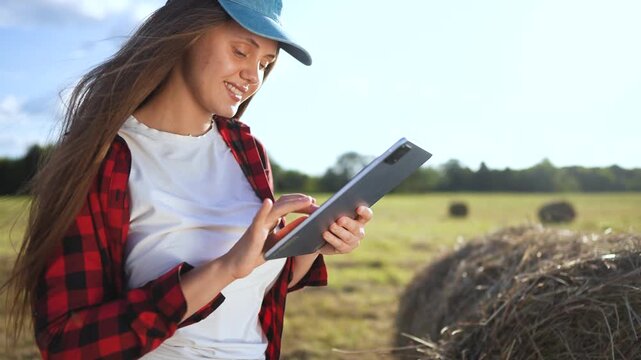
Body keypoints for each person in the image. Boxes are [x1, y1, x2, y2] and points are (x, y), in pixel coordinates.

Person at [2, 0, 373, 359]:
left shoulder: (246, 150)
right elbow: (69, 344)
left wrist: (311, 242)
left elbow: (254, 288)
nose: (253, 76)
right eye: (242, 52)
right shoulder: (106, 159)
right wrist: (225, 267)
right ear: (187, 34)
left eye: (265, 63)